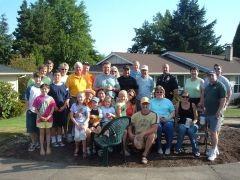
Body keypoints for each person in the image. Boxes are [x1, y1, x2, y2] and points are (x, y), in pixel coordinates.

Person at [203, 70, 226, 161]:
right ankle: (214, 148)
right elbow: (206, 98)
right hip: (207, 113)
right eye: (209, 76)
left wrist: (219, 111)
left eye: (212, 75)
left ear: (216, 76)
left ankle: (213, 152)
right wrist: (204, 107)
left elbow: (223, 100)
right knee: (210, 132)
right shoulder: (208, 86)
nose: (211, 77)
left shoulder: (220, 86)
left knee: (213, 132)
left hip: (215, 114)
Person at [128, 97, 158, 164]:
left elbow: (154, 128)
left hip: (147, 134)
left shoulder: (154, 115)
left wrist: (143, 134)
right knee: (139, 147)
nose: (145, 105)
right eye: (143, 104)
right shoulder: (135, 115)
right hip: (138, 135)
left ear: (149, 105)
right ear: (140, 105)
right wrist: (130, 134)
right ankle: (144, 148)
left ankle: (144, 155)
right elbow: (130, 126)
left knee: (152, 135)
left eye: (146, 104)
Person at [149, 85, 175, 155]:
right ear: (155, 93)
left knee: (169, 126)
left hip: (167, 119)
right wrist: (157, 118)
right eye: (157, 92)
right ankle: (159, 147)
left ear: (163, 93)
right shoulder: (151, 101)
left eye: (161, 92)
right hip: (156, 120)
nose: (159, 93)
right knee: (158, 127)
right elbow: (149, 112)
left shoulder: (168, 101)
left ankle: (168, 147)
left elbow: (173, 112)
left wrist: (168, 118)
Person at [33, 84, 56, 155]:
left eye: (46, 89)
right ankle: (42, 148)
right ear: (40, 89)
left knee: (48, 133)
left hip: (49, 119)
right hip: (40, 119)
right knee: (42, 133)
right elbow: (36, 109)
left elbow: (52, 109)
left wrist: (49, 116)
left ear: (48, 90)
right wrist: (40, 117)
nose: (44, 90)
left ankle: (48, 147)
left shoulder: (51, 98)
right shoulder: (37, 98)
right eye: (42, 89)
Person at [175, 91, 200, 157]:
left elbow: (196, 118)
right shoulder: (178, 104)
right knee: (182, 129)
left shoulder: (192, 105)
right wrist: (175, 125)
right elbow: (176, 116)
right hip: (182, 124)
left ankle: (196, 150)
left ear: (189, 98)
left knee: (190, 131)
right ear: (181, 97)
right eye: (183, 97)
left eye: (187, 97)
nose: (185, 98)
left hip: (191, 124)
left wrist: (193, 122)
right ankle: (178, 149)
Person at [48, 70, 70, 147]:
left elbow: (67, 97)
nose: (57, 77)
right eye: (55, 75)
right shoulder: (50, 86)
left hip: (63, 109)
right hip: (53, 109)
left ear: (61, 76)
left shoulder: (65, 86)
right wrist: (54, 107)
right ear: (53, 76)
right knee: (54, 126)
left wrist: (63, 107)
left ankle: (60, 140)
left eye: (58, 75)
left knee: (60, 126)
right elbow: (49, 98)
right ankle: (54, 141)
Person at [70, 92, 90, 158]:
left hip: (84, 123)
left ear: (84, 98)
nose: (80, 98)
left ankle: (84, 150)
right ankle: (77, 148)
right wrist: (77, 124)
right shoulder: (74, 105)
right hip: (77, 123)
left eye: (81, 97)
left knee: (83, 135)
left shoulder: (86, 106)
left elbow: (88, 117)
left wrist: (84, 124)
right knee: (77, 136)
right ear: (77, 98)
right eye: (79, 97)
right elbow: (72, 116)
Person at [25, 72, 42, 152]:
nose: (38, 79)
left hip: (40, 113)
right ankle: (33, 142)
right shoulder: (30, 88)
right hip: (31, 111)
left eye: (39, 78)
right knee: (31, 129)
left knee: (38, 129)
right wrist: (28, 109)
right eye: (36, 78)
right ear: (34, 78)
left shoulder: (43, 88)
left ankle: (38, 143)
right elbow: (27, 99)